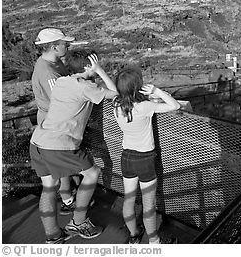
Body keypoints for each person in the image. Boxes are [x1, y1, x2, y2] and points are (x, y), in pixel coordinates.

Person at [30, 50, 117, 243]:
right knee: (92, 173)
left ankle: (53, 235)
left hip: (38, 140)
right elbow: (117, 94)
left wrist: (93, 76)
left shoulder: (63, 82)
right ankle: (78, 222)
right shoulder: (86, 88)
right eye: (94, 63)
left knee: (49, 187)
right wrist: (100, 71)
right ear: (88, 66)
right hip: (59, 145)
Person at [113, 67, 180, 244]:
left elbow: (121, 95)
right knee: (148, 204)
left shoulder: (117, 104)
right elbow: (175, 105)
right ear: (137, 87)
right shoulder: (144, 107)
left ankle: (134, 234)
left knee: (129, 198)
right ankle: (154, 242)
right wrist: (157, 91)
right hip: (145, 159)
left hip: (126, 156)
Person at [31, 28, 81, 215]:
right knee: (60, 161)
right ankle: (68, 201)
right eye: (63, 43)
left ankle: (68, 196)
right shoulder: (48, 72)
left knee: (60, 163)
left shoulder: (51, 61)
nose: (66, 45)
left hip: (51, 119)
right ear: (53, 46)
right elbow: (61, 100)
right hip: (53, 122)